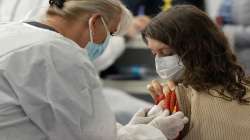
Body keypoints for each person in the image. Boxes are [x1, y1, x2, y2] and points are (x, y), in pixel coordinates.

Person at [0, 0, 189, 140]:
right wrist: (154, 133)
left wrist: (132, 130)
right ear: (95, 22)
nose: (108, 41)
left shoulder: (11, 33)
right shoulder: (57, 53)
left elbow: (70, 127)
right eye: (111, 33)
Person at [142, 5, 250, 140]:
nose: (159, 61)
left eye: (166, 52)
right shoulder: (241, 87)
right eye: (154, 54)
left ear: (195, 48)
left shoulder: (180, 99)